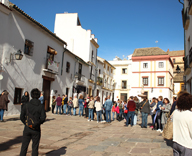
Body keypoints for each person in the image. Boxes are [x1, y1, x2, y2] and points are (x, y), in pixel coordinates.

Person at [20, 88, 46, 156]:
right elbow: (43, 118)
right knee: (35, 147)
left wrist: (27, 123)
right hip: (36, 129)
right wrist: (37, 123)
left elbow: (21, 117)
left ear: (31, 95)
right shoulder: (40, 106)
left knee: (24, 147)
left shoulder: (26, 105)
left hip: (27, 128)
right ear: (39, 96)